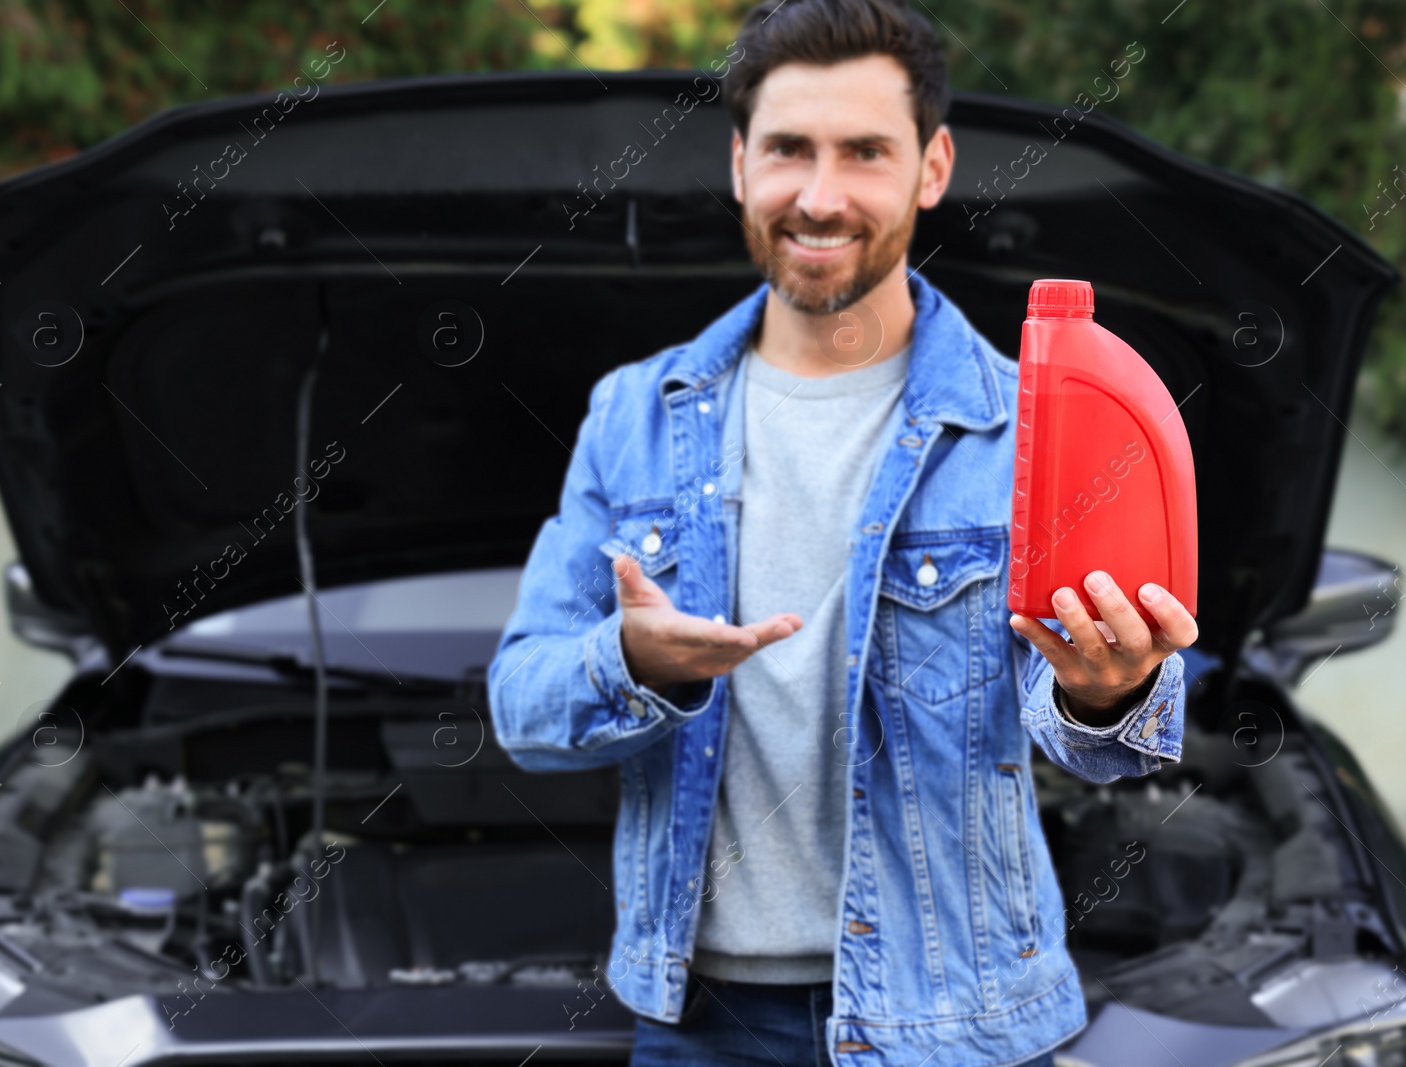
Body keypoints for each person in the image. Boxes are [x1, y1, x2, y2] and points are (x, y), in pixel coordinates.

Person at [489, 0, 1199, 1063]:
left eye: (864, 151)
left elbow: (1106, 741)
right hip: (701, 1027)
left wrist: (1109, 687)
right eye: (787, 150)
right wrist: (629, 661)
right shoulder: (631, 417)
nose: (818, 197)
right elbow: (520, 706)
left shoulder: (1029, 431)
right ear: (739, 164)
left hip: (957, 1024)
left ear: (931, 166)